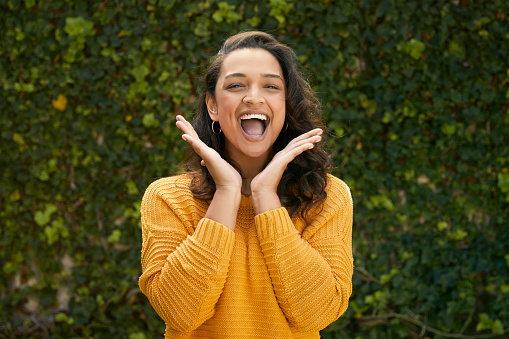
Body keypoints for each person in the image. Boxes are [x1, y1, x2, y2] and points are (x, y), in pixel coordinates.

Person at [138, 31, 353, 339]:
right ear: (213, 106)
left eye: (271, 86)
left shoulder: (327, 197)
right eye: (236, 85)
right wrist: (227, 191)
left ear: (286, 105)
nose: (254, 97)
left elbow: (316, 313)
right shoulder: (167, 198)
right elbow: (180, 313)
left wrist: (266, 197)